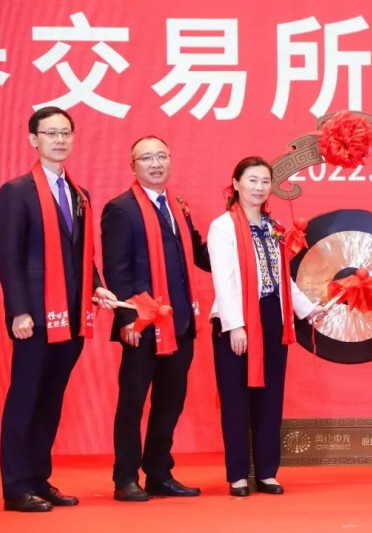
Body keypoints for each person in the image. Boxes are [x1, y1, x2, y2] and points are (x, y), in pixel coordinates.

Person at [0, 106, 117, 512]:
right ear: (34, 140)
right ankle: (16, 487)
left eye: (66, 132)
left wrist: (96, 287)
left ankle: (38, 479)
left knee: (50, 401)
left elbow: (84, 253)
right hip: (34, 317)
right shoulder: (16, 192)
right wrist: (18, 311)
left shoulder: (80, 194)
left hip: (72, 315)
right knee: (25, 399)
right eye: (51, 133)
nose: (60, 140)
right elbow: (9, 257)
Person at [208, 156, 326, 497]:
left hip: (273, 316)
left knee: (271, 396)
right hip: (237, 318)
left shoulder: (274, 227)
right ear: (236, 184)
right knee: (235, 398)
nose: (259, 188)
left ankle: (267, 472)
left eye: (264, 181)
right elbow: (224, 279)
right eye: (252, 180)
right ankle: (238, 475)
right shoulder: (223, 226)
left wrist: (307, 310)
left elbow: (281, 277)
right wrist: (235, 325)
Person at [101, 135, 210, 502]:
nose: (156, 163)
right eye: (146, 158)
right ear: (132, 166)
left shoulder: (178, 207)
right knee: (132, 403)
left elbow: (198, 254)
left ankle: (159, 473)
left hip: (180, 323)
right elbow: (117, 269)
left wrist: (246, 246)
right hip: (143, 325)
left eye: (161, 156)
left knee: (170, 402)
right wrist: (127, 318)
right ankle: (125, 477)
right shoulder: (121, 209)